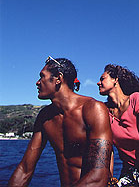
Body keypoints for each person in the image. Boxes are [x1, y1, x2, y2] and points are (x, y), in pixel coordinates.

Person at [8, 56, 112, 187]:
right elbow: (25, 169)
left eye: (42, 77)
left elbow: (99, 176)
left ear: (58, 78)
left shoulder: (93, 109)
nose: (37, 82)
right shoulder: (45, 117)